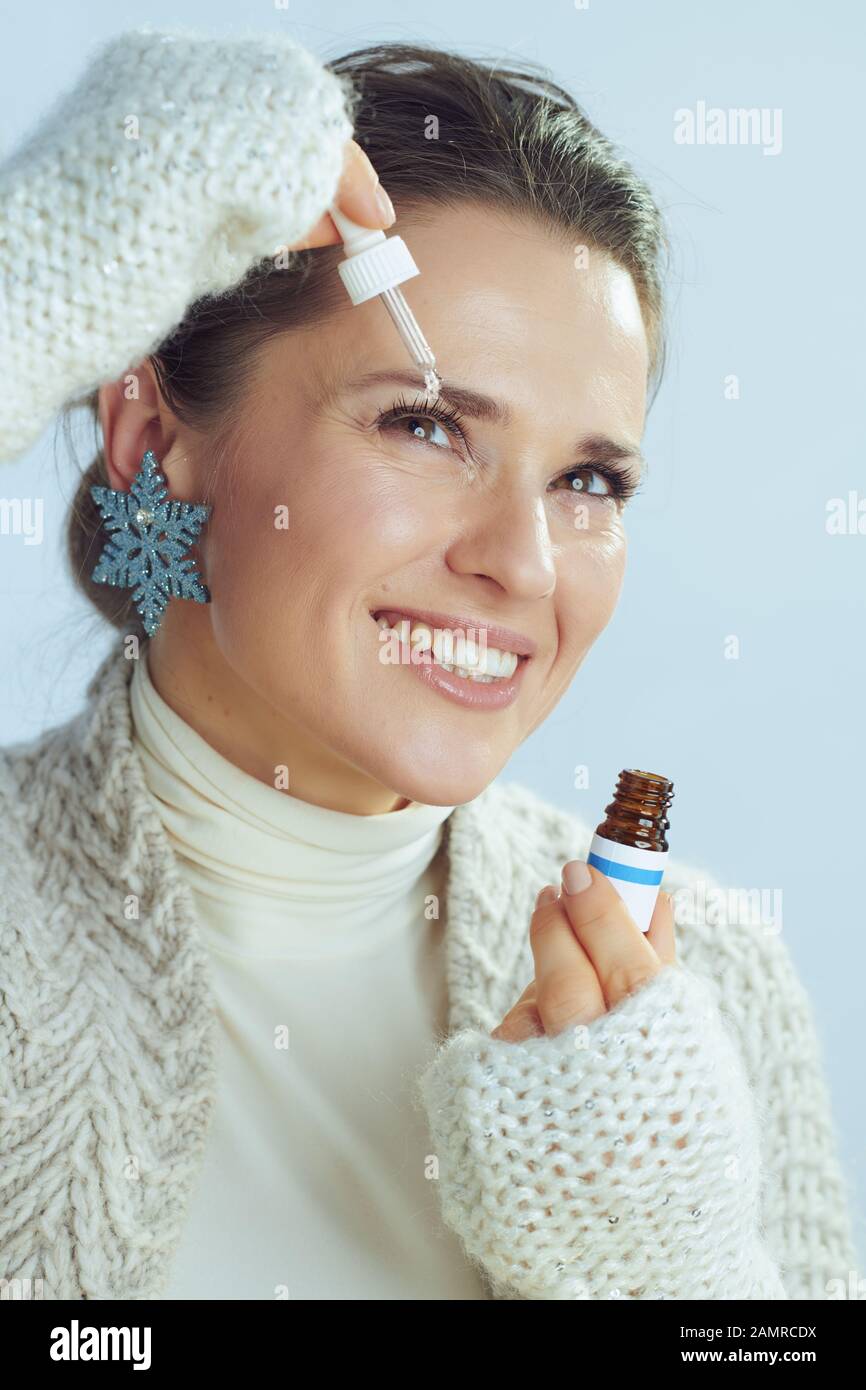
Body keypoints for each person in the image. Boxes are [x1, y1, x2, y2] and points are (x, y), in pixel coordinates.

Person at [0, 24, 858, 1301]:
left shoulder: (703, 994)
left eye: (586, 478)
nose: (523, 561)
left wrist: (669, 1285)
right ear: (154, 433)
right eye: (424, 423)